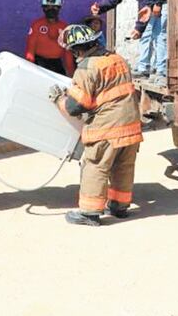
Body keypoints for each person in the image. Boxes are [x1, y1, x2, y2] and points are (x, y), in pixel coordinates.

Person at [56, 24, 143, 227]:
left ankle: (89, 212)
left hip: (107, 127)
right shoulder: (117, 59)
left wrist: (59, 99)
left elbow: (75, 106)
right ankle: (119, 206)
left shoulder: (87, 67)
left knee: (95, 166)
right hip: (130, 125)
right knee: (123, 167)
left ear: (77, 49)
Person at [90, 0, 155, 77]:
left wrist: (139, 27)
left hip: (162, 4)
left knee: (156, 36)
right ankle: (146, 67)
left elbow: (144, 2)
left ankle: (157, 70)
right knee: (151, 34)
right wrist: (100, 7)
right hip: (151, 5)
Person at [26, 0, 74, 76]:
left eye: (54, 7)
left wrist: (71, 73)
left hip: (56, 64)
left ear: (59, 8)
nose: (50, 9)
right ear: (43, 8)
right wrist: (30, 69)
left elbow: (68, 53)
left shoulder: (64, 27)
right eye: (47, 7)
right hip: (39, 63)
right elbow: (30, 49)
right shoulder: (36, 25)